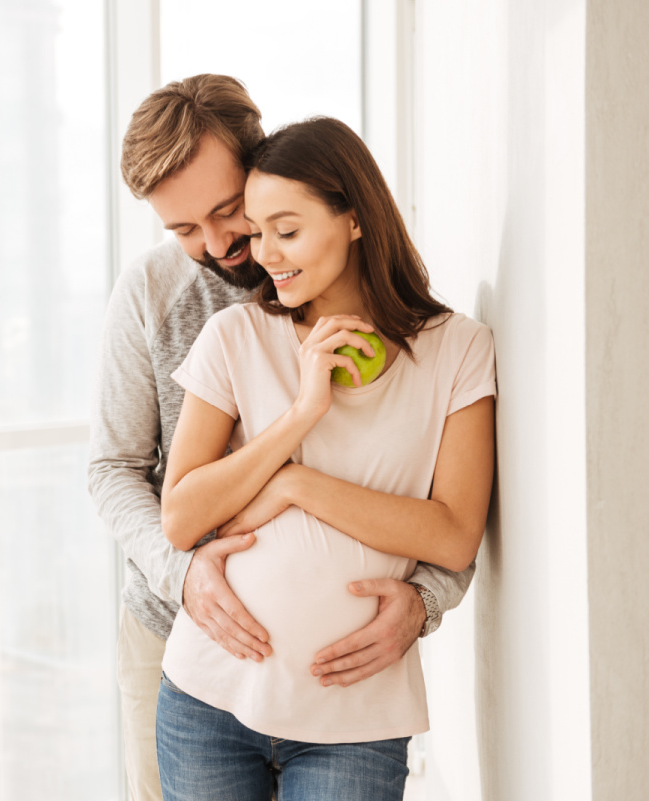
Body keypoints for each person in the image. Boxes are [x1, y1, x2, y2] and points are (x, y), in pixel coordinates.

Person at [87, 74, 475, 801]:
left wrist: (426, 597)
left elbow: (427, 492)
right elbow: (114, 468)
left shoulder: (380, 309)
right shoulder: (160, 296)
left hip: (338, 685)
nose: (220, 244)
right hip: (181, 638)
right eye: (182, 229)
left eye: (228, 212)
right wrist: (188, 577)